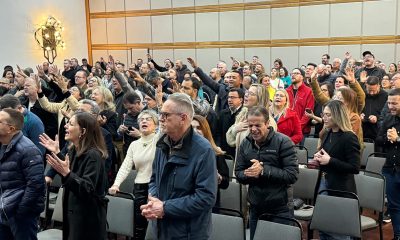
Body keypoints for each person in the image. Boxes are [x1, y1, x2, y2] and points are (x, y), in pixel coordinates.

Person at [141, 93, 217, 239]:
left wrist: (164, 207)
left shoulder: (203, 150)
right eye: (160, 114)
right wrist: (153, 200)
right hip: (162, 228)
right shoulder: (162, 143)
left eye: (165, 115)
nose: (160, 119)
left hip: (188, 232)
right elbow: (154, 179)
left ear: (183, 118)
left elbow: (205, 197)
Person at [235, 106, 298, 240]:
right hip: (256, 205)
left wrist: (264, 170)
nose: (253, 129)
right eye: (250, 125)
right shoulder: (245, 144)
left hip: (280, 206)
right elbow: (238, 173)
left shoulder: (283, 141)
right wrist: (251, 173)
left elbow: (292, 175)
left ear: (268, 124)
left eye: (258, 125)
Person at [45, 112, 108, 239]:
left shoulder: (93, 155)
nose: (66, 126)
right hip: (74, 215)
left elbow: (87, 188)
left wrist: (66, 173)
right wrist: (57, 153)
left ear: (83, 131)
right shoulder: (73, 150)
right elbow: (72, 173)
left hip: (87, 220)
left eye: (71, 124)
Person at [313, 100, 360, 240]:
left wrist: (330, 161)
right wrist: (319, 158)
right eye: (324, 114)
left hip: (340, 188)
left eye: (328, 115)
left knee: (338, 231)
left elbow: (355, 167)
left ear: (338, 116)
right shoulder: (328, 133)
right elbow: (328, 157)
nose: (324, 118)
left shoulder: (349, 137)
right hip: (325, 183)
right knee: (324, 227)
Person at [109, 110, 159, 240]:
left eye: (148, 119)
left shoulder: (159, 139)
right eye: (141, 119)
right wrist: (116, 184)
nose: (144, 121)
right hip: (140, 187)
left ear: (156, 124)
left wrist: (159, 103)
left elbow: (164, 128)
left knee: (156, 223)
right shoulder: (134, 144)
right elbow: (125, 166)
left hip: (157, 187)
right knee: (139, 223)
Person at [0, 109, 45, 240]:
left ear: (10, 128)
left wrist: (21, 211)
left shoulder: (28, 150)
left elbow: (36, 185)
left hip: (20, 215)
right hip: (4, 210)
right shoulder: (3, 145)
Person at [376, 88, 400, 239]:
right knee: (394, 207)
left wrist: (398, 138)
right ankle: (398, 235)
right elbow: (378, 140)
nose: (390, 106)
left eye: (395, 103)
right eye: (389, 103)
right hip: (390, 169)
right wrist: (388, 137)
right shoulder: (388, 120)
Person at [191, 115, 229, 206]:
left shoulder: (216, 152)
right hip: (188, 200)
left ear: (205, 130)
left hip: (209, 202)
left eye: (199, 128)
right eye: (192, 128)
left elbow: (225, 183)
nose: (195, 131)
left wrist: (219, 178)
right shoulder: (182, 151)